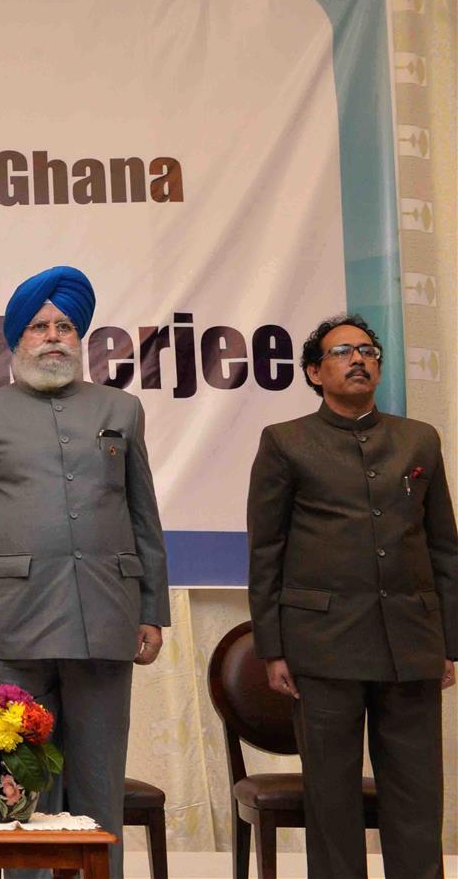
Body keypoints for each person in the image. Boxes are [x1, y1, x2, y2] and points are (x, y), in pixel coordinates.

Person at [0, 266, 169, 878]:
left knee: (98, 788)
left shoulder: (121, 407)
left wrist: (151, 610)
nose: (54, 337)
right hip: (14, 623)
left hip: (106, 619)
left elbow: (143, 516)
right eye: (39, 327)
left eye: (65, 326)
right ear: (17, 341)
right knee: (20, 792)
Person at [247, 313, 456, 879]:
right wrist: (273, 648)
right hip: (323, 647)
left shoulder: (419, 439)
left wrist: (449, 644)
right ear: (315, 372)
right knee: (332, 799)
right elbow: (266, 550)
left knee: (416, 797)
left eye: (367, 350)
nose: (359, 359)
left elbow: (444, 548)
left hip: (410, 643)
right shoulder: (285, 442)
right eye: (342, 353)